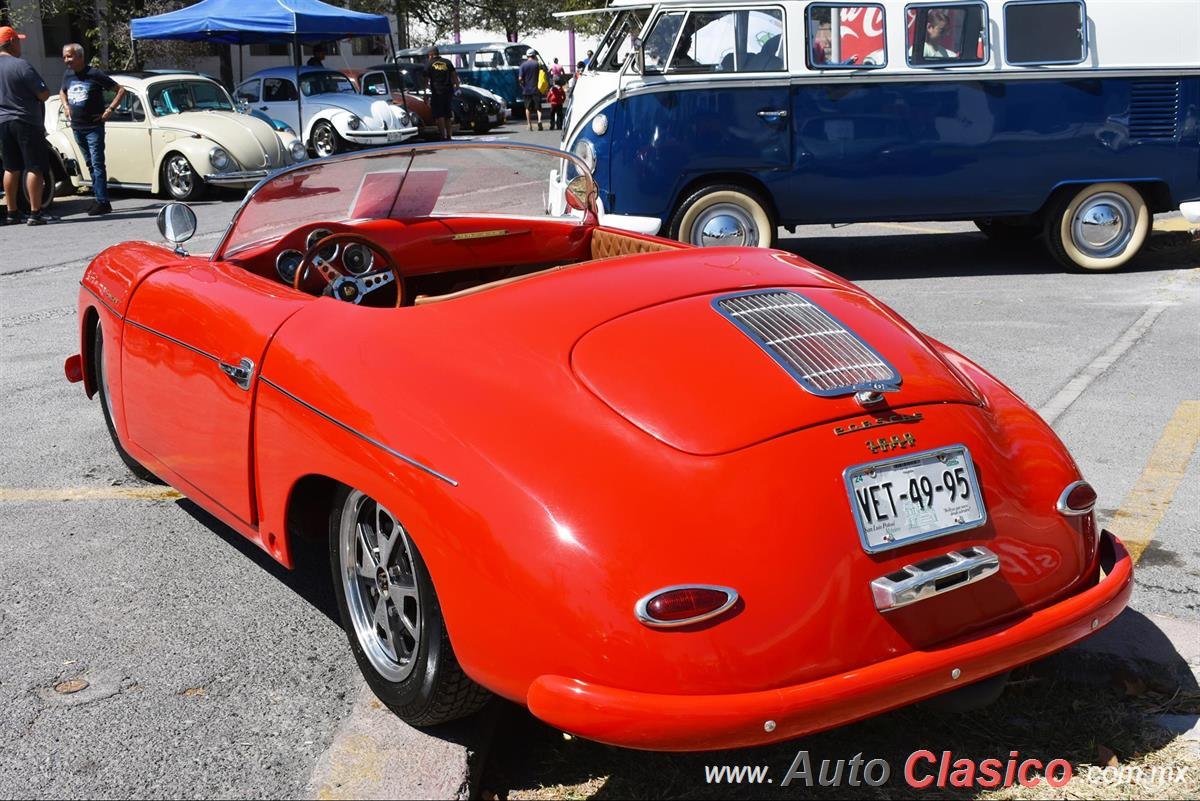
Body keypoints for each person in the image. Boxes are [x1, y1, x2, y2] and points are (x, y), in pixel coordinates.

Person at [60, 42, 123, 216]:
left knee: (97, 163)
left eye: (70, 56)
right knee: (89, 164)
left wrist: (109, 110)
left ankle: (102, 201)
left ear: (80, 56)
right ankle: (99, 199)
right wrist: (66, 106)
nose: (66, 60)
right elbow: (62, 91)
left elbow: (120, 90)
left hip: (93, 127)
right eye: (64, 56)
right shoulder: (68, 75)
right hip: (77, 127)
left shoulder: (94, 74)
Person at [0, 25, 52, 226]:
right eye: (18, 40)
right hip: (26, 120)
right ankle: (35, 212)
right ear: (12, 42)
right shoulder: (21, 65)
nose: (20, 44)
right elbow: (44, 93)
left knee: (11, 167)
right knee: (35, 167)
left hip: (3, 122)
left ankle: (12, 212)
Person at [425, 46, 459, 141]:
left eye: (429, 55)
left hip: (437, 92)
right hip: (448, 91)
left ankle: (442, 136)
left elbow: (425, 79)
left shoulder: (429, 64)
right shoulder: (447, 62)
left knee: (439, 115)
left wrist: (425, 93)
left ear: (431, 54)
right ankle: (449, 135)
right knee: (447, 114)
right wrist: (457, 86)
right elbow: (454, 75)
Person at [518, 49, 543, 131]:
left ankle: (529, 124)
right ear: (534, 55)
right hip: (536, 88)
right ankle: (539, 121)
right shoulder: (537, 64)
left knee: (527, 108)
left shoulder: (523, 65)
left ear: (527, 55)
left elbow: (520, 78)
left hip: (526, 90)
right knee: (538, 107)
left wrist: (522, 84)